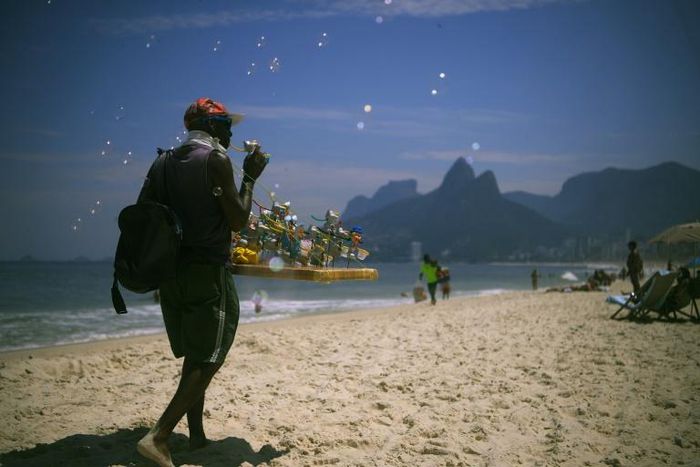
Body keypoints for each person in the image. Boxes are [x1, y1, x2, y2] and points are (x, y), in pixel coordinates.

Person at [134, 97, 268, 467]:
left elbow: (147, 214)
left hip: (171, 275)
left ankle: (195, 436)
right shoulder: (217, 160)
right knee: (210, 355)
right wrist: (251, 177)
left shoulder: (161, 162)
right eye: (226, 124)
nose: (230, 131)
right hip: (208, 272)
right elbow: (239, 219)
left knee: (196, 351)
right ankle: (159, 437)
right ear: (210, 126)